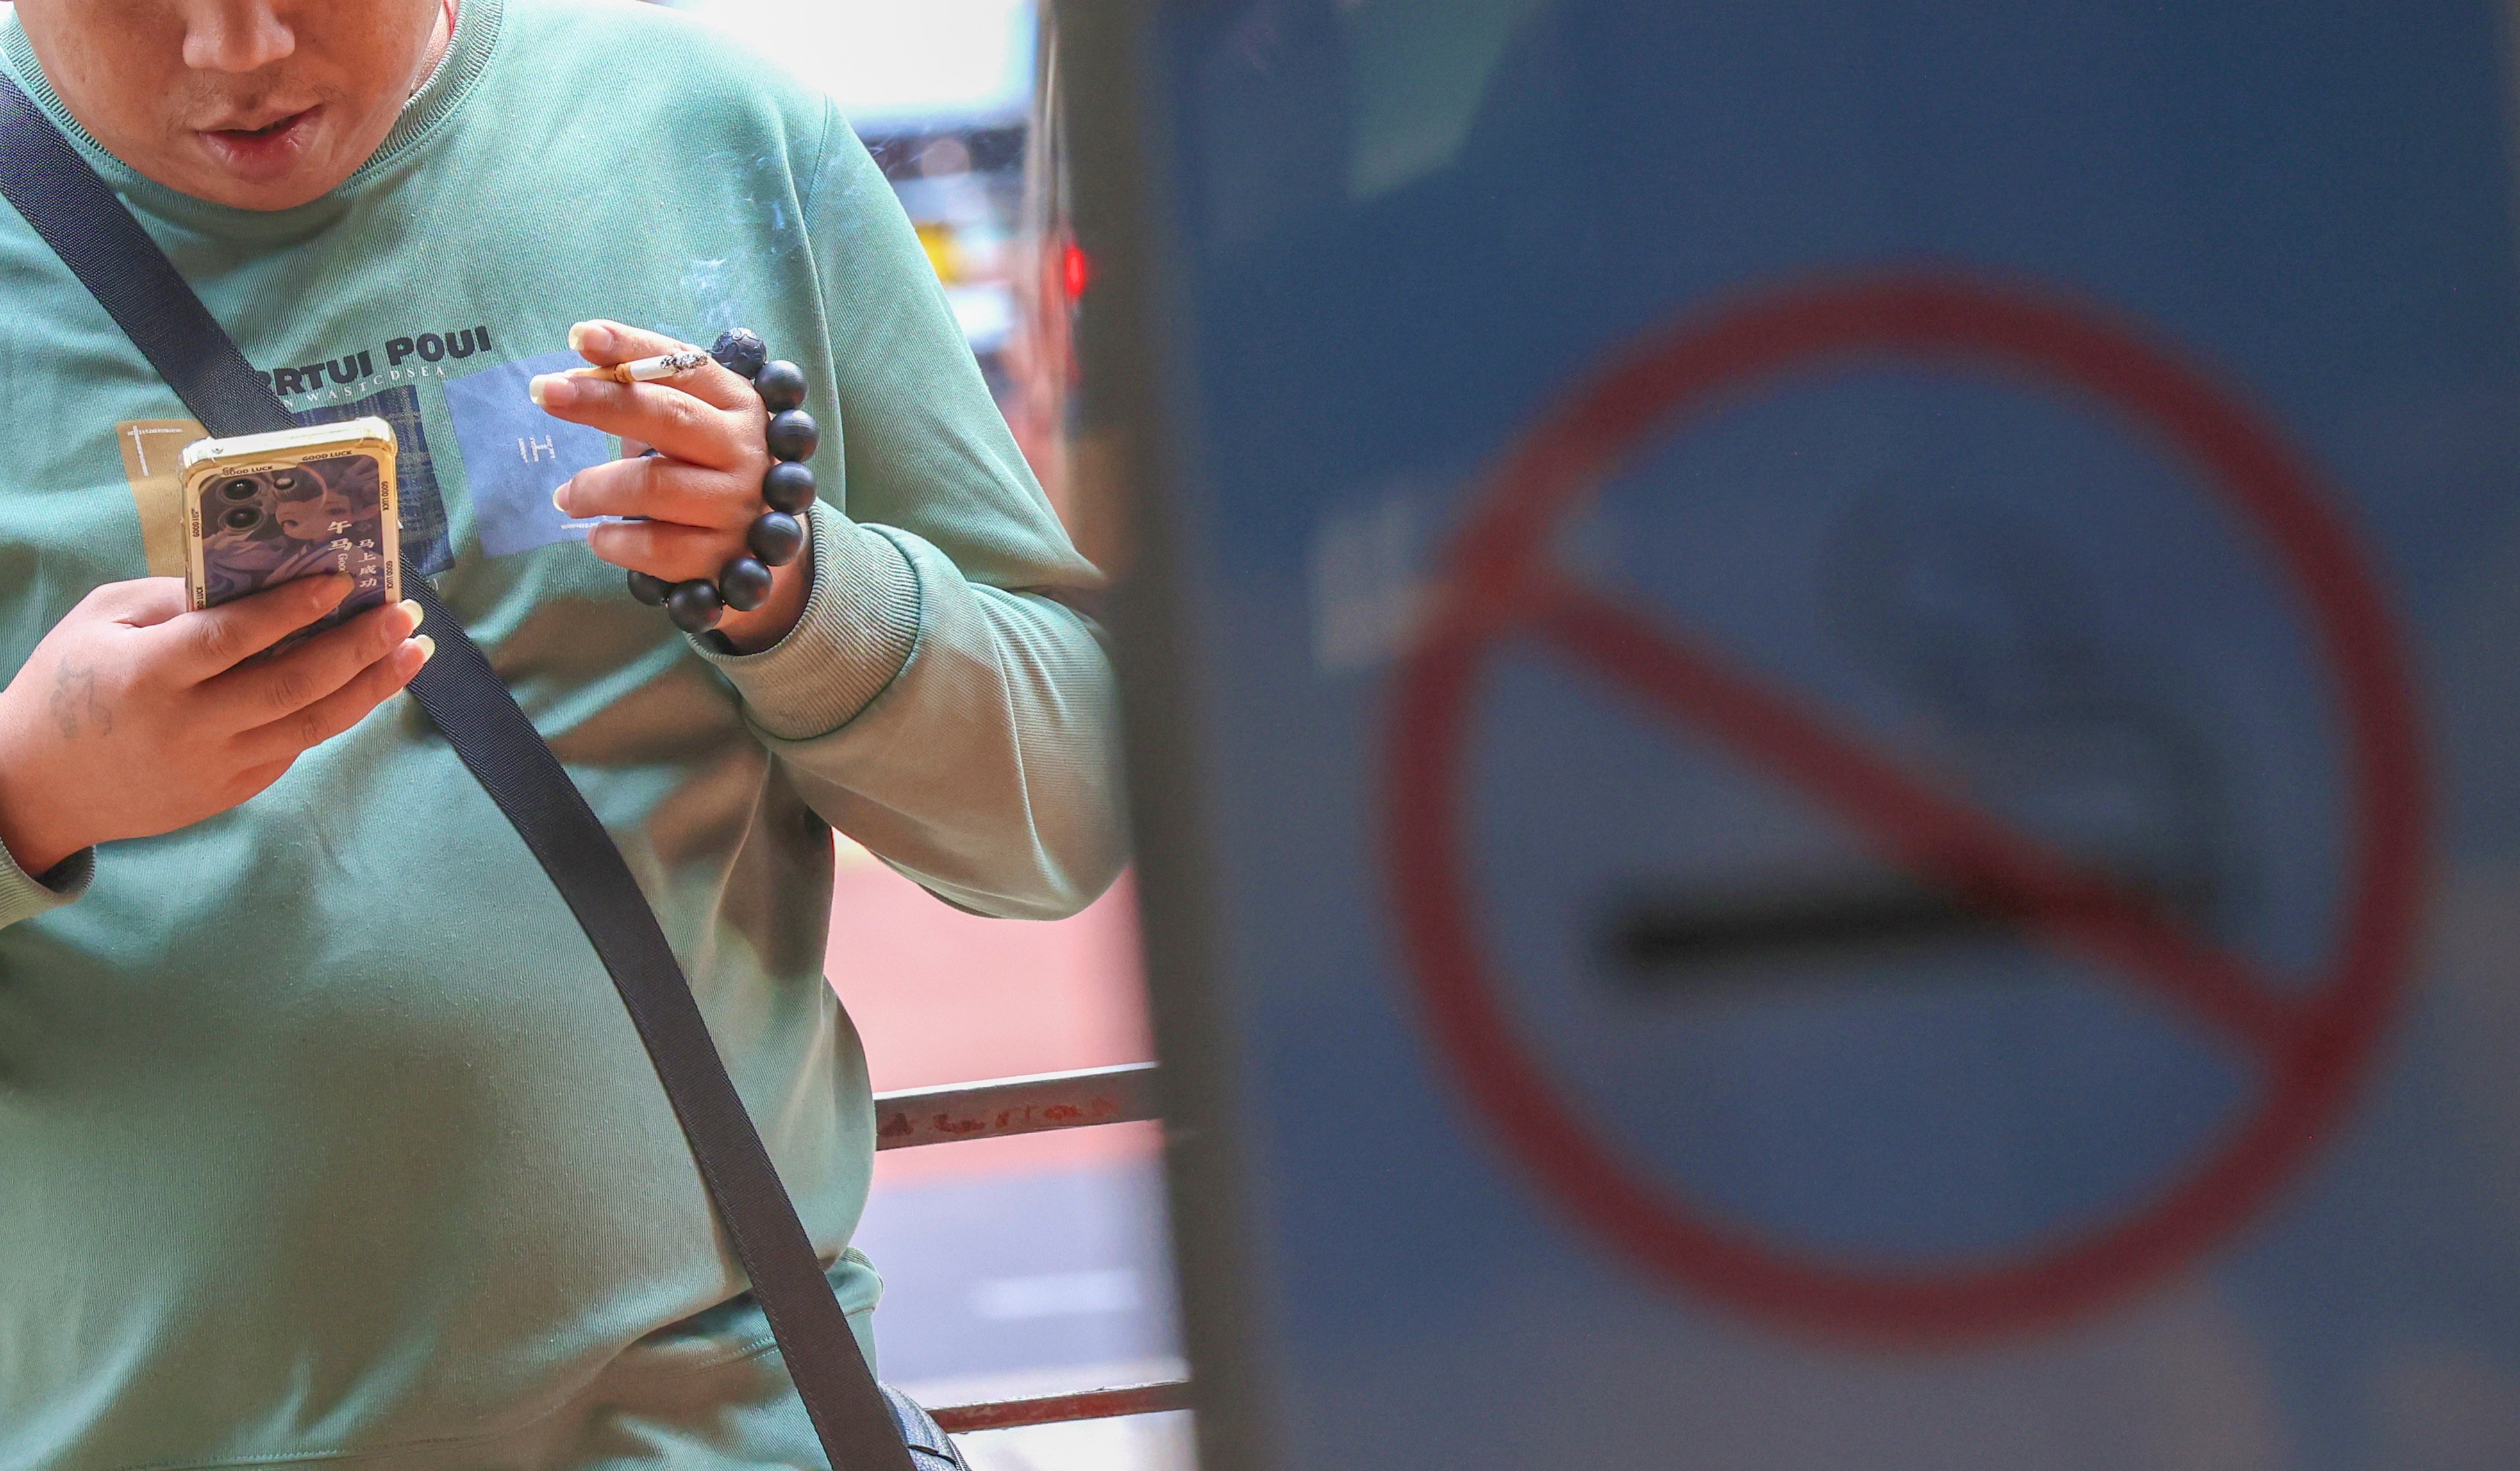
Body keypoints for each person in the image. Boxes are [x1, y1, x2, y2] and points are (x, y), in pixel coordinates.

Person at [0, 1, 1126, 1467]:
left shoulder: (717, 137)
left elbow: (1076, 802)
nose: (235, 46)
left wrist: (789, 582)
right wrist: (31, 785)